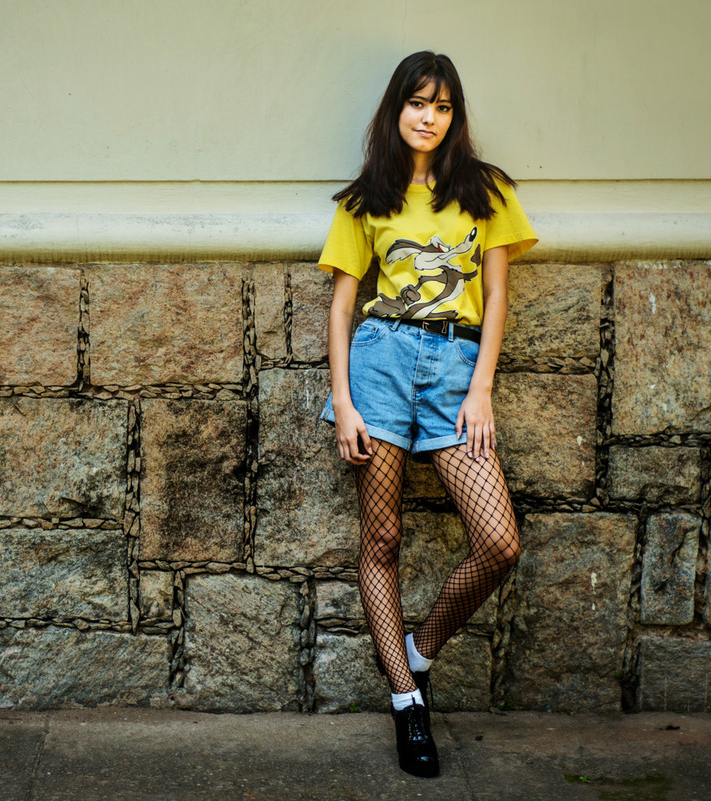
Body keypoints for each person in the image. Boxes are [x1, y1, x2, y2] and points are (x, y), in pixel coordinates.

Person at [318, 51, 537, 778]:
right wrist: (344, 402)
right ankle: (407, 702)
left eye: (441, 106)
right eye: (417, 102)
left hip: (453, 373)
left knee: (499, 543)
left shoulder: (485, 191)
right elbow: (344, 305)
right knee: (381, 536)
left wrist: (482, 388)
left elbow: (497, 297)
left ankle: (418, 648)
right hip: (378, 366)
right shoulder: (367, 200)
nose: (427, 117)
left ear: (454, 116)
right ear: (396, 109)